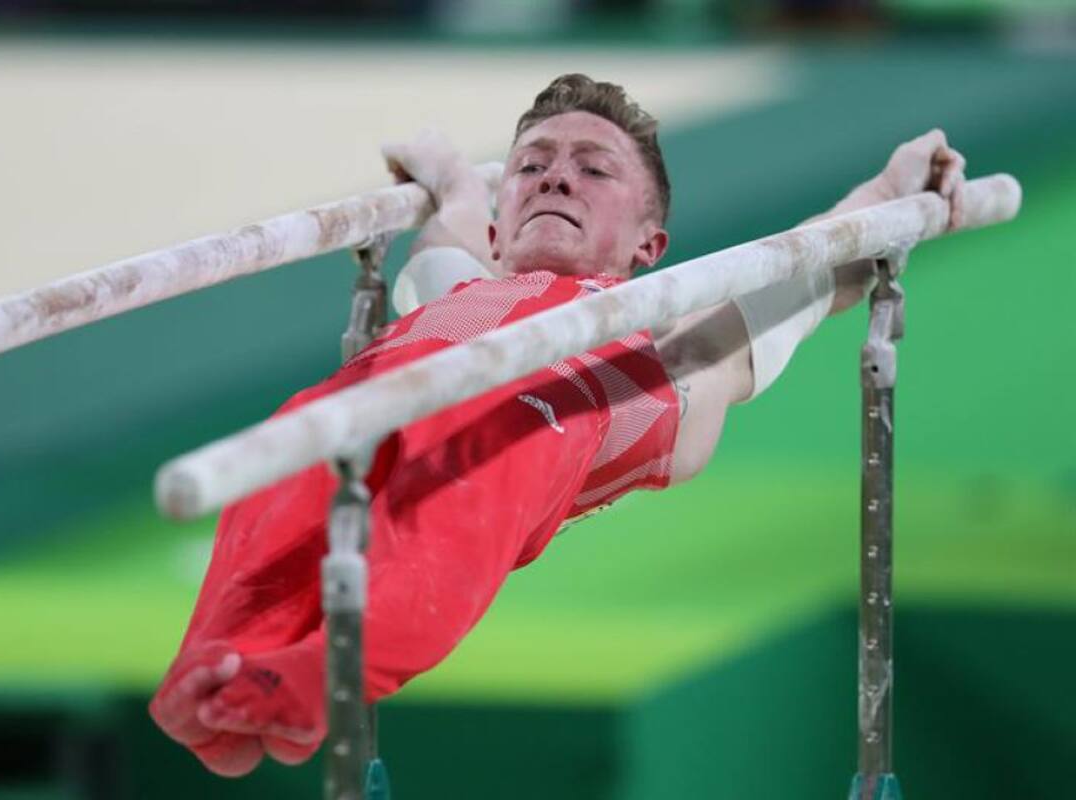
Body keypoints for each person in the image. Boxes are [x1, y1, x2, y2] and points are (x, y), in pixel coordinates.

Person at [148, 74, 967, 777]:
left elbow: (822, 265)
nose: (555, 180)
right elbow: (460, 211)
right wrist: (445, 173)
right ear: (499, 231)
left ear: (651, 243)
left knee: (475, 465)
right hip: (384, 404)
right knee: (295, 447)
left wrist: (899, 191)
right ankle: (219, 670)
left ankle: (319, 674)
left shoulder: (679, 342)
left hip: (530, 431)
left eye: (593, 168)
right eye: (533, 167)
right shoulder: (454, 292)